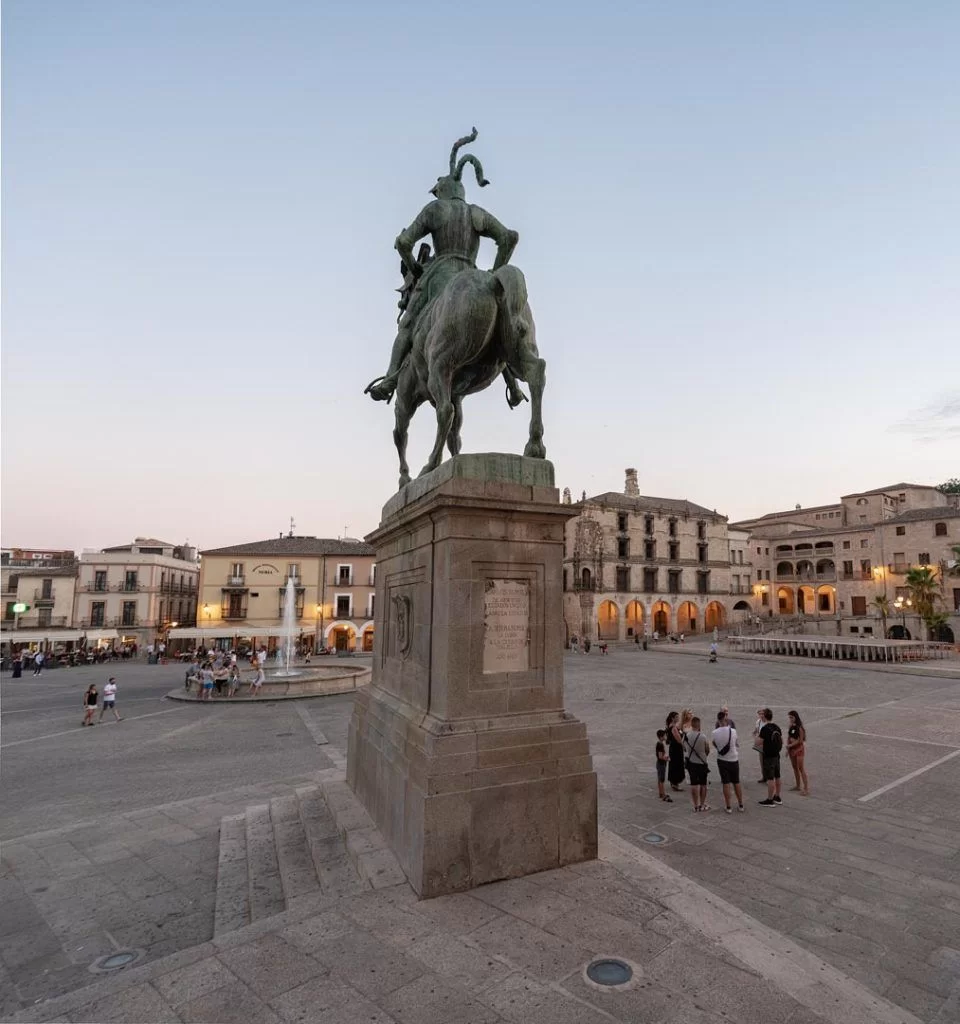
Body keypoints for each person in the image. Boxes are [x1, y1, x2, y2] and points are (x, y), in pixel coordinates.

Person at [712, 710, 744, 813]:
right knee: (736, 782)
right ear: (726, 719)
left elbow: (715, 743)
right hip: (733, 759)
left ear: (718, 720)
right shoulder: (733, 731)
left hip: (722, 760)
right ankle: (740, 804)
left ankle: (728, 806)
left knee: (726, 783)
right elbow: (735, 743)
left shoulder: (715, 733)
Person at [683, 716, 711, 811]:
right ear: (699, 725)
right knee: (703, 784)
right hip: (702, 763)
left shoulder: (686, 736)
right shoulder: (702, 736)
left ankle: (695, 805)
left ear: (691, 725)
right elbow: (707, 750)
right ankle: (702, 804)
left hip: (691, 762)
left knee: (693, 784)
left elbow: (684, 748)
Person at [758, 708, 783, 806]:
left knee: (770, 778)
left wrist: (757, 737)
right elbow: (782, 741)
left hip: (768, 756)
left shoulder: (765, 729)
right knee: (777, 776)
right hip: (777, 755)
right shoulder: (776, 727)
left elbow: (758, 742)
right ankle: (777, 796)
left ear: (764, 716)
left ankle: (770, 799)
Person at [787, 710, 809, 795]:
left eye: (791, 717)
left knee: (801, 768)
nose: (790, 719)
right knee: (794, 767)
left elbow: (800, 740)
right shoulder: (791, 726)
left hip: (799, 749)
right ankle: (797, 785)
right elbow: (789, 737)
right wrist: (788, 748)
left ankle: (806, 788)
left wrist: (791, 745)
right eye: (789, 717)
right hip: (791, 749)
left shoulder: (800, 728)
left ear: (796, 717)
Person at [666, 711, 685, 792]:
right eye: (676, 717)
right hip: (676, 749)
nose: (678, 718)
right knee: (677, 764)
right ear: (673, 718)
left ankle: (673, 782)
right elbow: (678, 739)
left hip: (673, 748)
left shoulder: (670, 726)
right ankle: (675, 783)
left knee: (673, 764)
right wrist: (683, 746)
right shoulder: (673, 728)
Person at [656, 729, 672, 802]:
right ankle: (663, 794)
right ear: (661, 737)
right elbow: (660, 756)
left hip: (659, 763)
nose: (666, 736)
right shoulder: (660, 744)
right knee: (662, 779)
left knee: (659, 779)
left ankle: (660, 793)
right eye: (665, 735)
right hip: (661, 764)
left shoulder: (659, 743)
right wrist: (666, 759)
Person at [752, 708, 766, 784]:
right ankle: (764, 777)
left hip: (767, 744)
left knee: (767, 761)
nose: (761, 715)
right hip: (761, 744)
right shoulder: (758, 722)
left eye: (762, 714)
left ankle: (769, 777)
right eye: (760, 714)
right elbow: (756, 730)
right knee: (762, 761)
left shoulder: (767, 722)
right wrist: (754, 733)